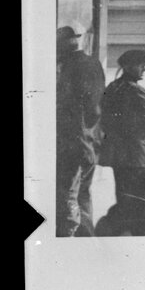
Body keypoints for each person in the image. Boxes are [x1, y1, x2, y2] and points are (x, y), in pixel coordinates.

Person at [56, 22, 105, 237]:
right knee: (83, 195)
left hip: (75, 145)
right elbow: (97, 107)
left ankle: (70, 239)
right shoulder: (93, 64)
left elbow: (74, 112)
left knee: (69, 198)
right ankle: (88, 240)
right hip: (91, 142)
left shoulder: (69, 69)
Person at [99, 49, 145, 205]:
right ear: (127, 67)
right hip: (136, 155)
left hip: (118, 153)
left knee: (122, 195)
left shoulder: (113, 87)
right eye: (140, 65)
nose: (144, 69)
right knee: (137, 198)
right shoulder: (136, 91)